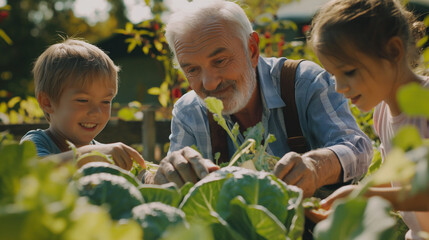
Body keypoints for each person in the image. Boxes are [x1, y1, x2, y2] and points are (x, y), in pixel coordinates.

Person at [145, 0, 372, 199]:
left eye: (220, 61)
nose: (209, 83)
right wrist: (164, 177)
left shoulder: (303, 82)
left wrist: (316, 167)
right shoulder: (188, 112)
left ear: (252, 49)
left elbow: (357, 149)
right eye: (192, 69)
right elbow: (174, 186)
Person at [306, 0, 429, 238]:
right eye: (333, 75)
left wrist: (368, 196)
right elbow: (395, 179)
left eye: (349, 72)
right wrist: (354, 197)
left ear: (393, 51)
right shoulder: (383, 114)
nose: (339, 87)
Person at [20, 38, 145, 171]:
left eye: (105, 101)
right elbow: (35, 170)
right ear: (47, 102)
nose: (97, 112)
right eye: (83, 100)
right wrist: (91, 154)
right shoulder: (35, 142)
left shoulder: (103, 154)